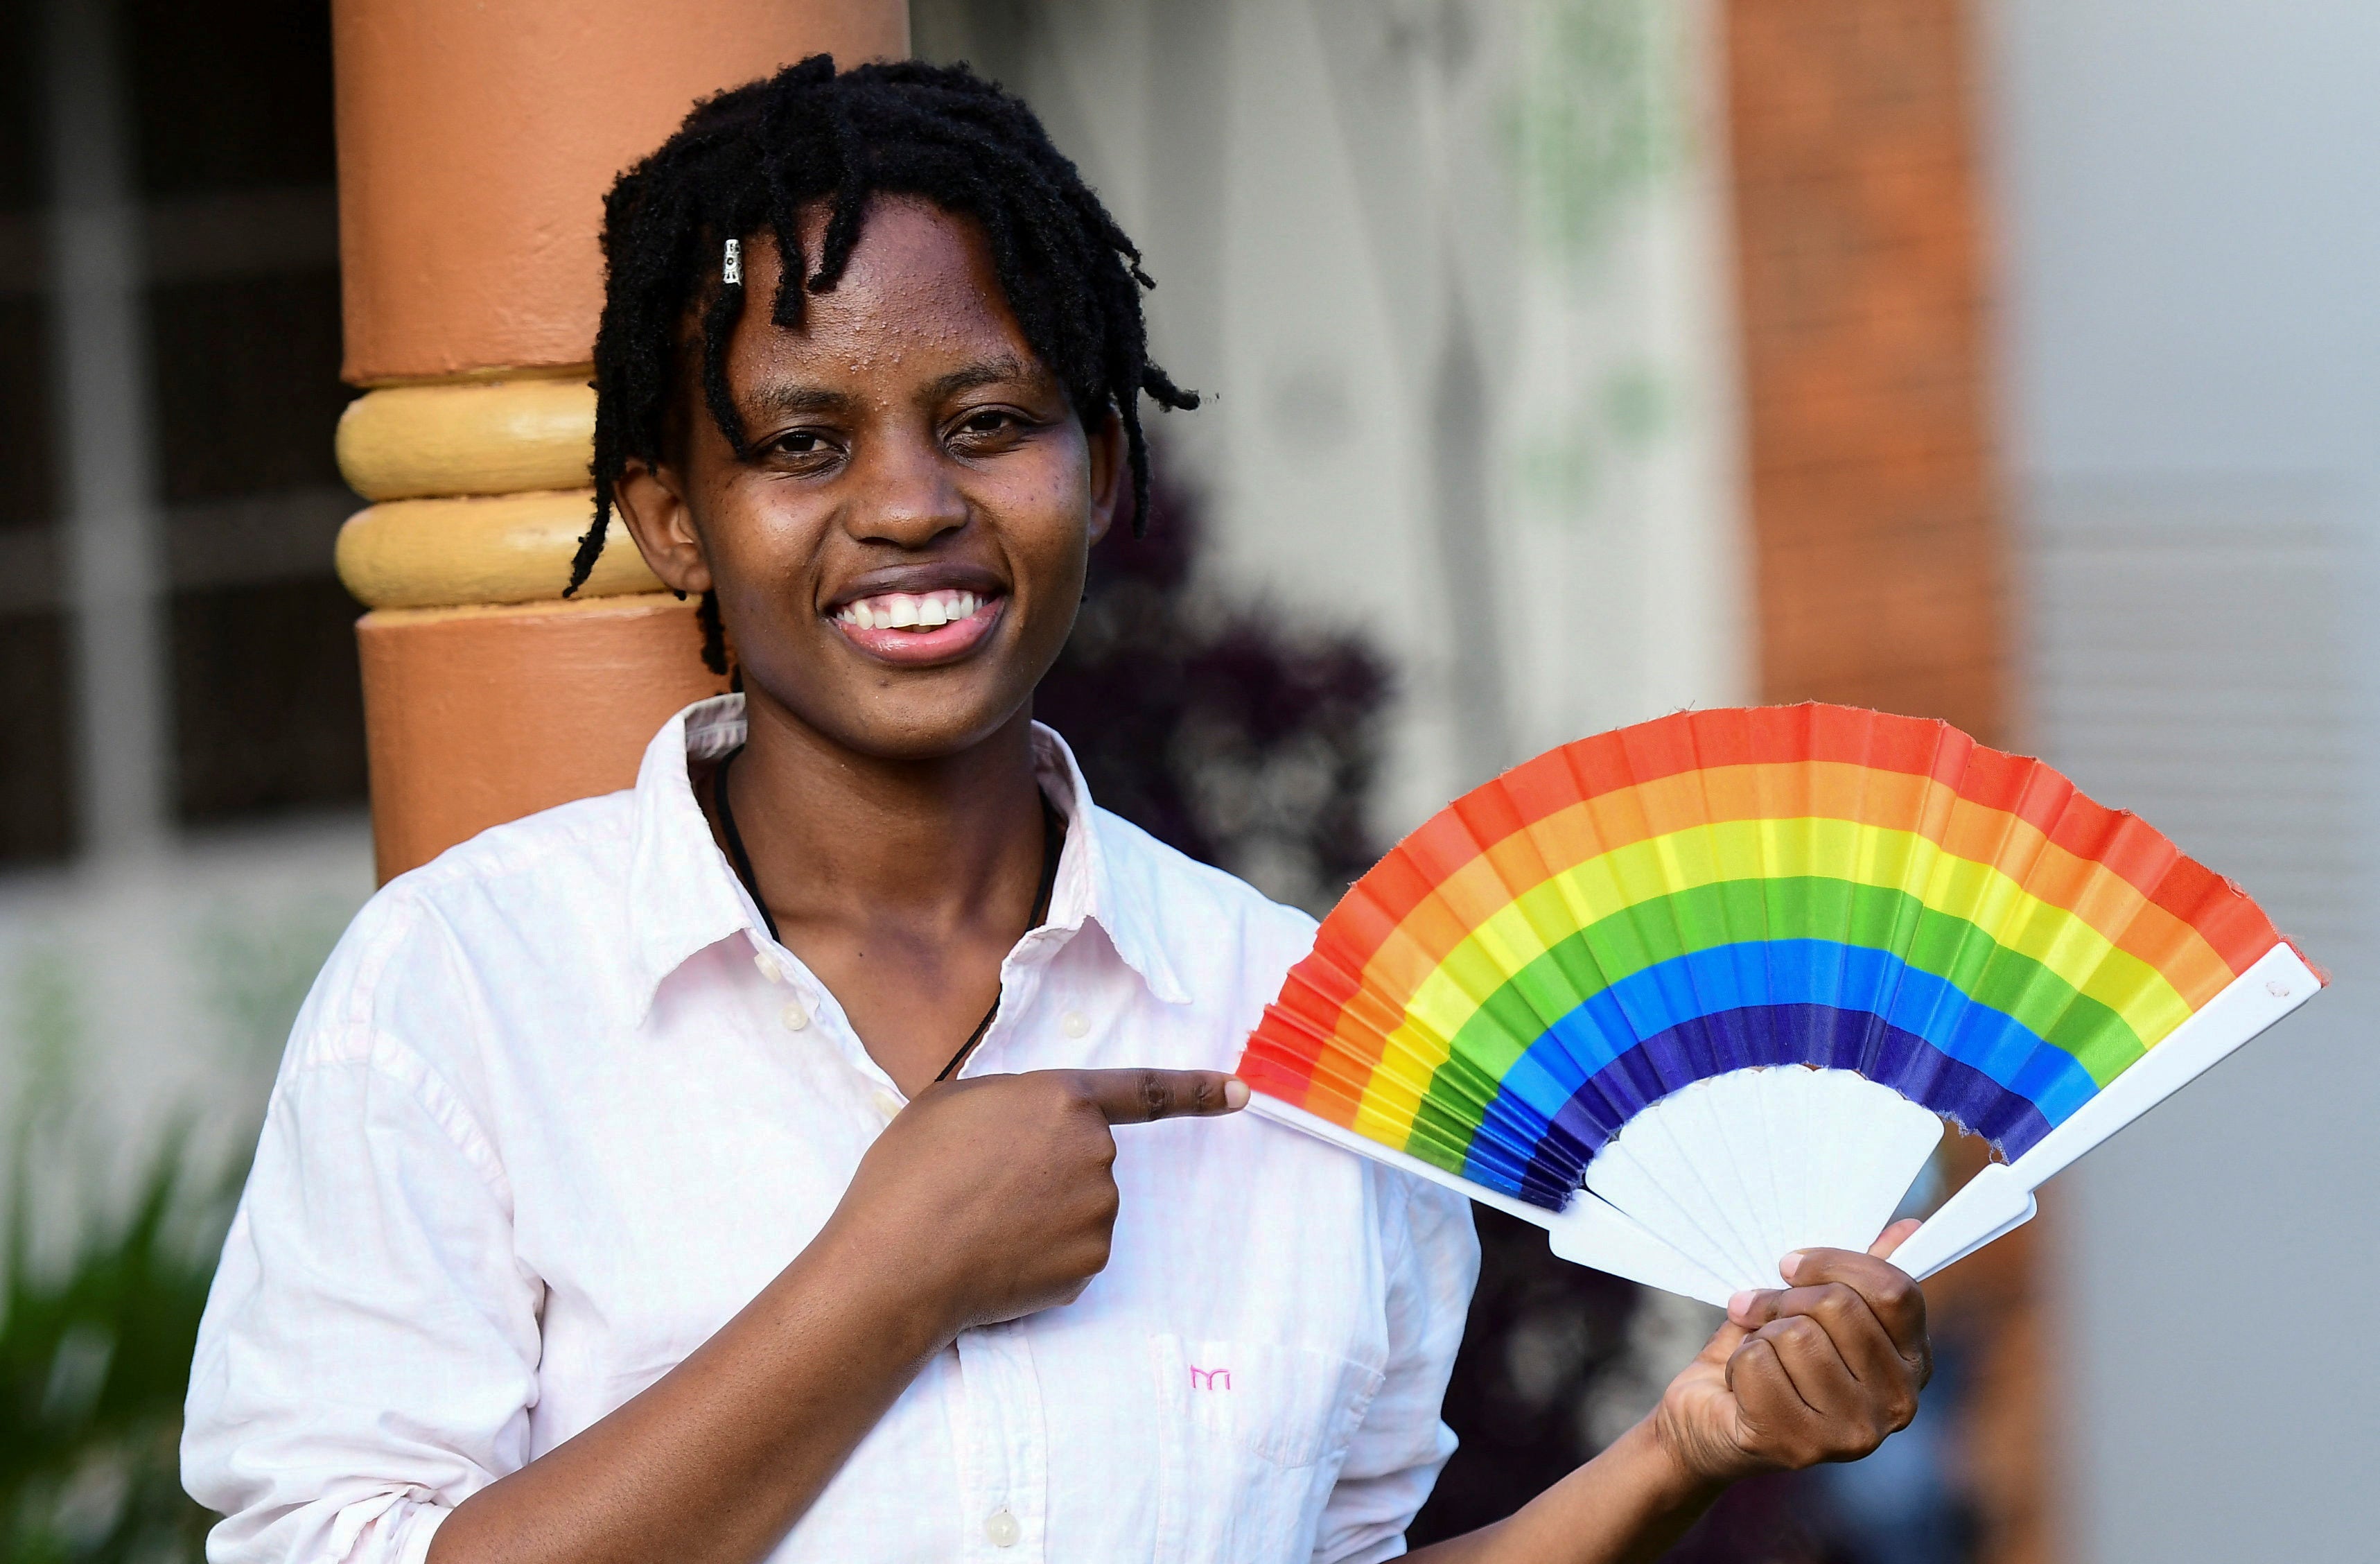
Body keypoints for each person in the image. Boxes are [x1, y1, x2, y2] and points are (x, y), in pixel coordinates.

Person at [183, 57, 1930, 1564]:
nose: (907, 505)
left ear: (1099, 466)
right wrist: (882, 1284)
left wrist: (1685, 1450)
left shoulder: (1305, 1033)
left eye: (987, 420)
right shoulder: (464, 998)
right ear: (672, 520)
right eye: (802, 444)